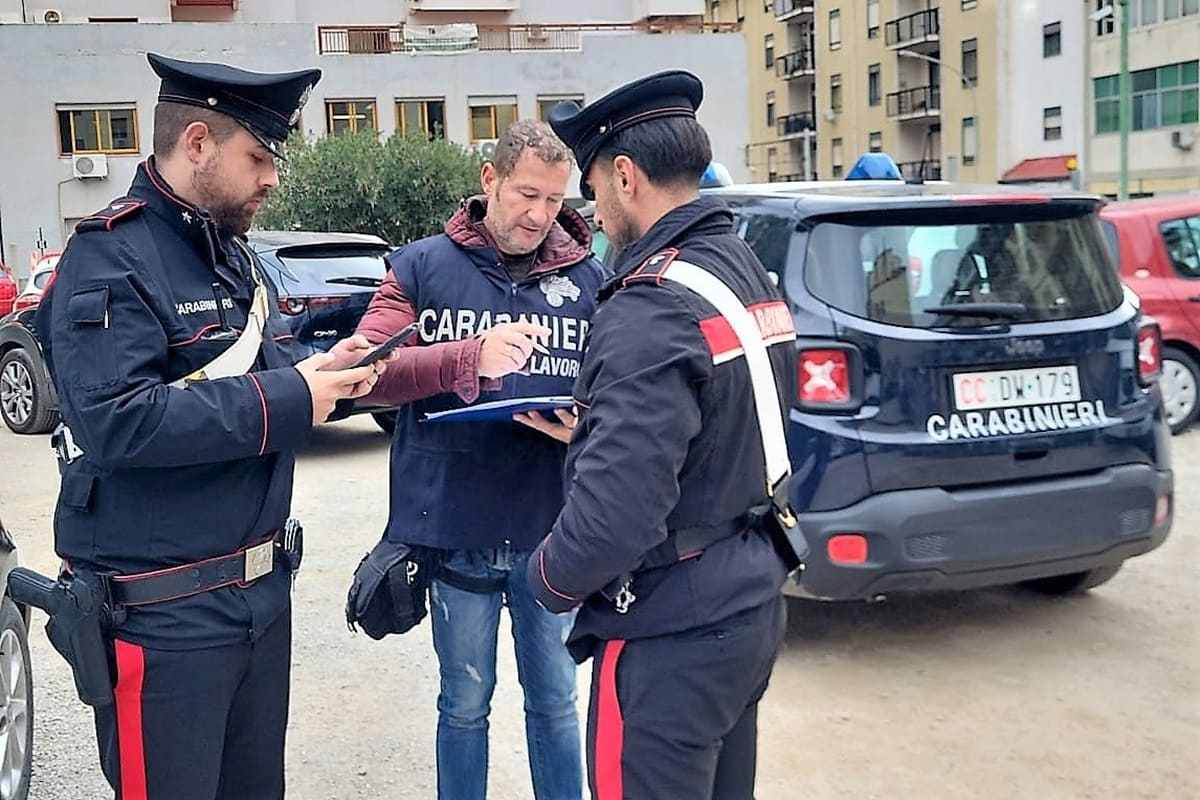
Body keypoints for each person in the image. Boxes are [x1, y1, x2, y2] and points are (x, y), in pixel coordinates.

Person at [35, 53, 385, 800]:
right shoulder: (109, 257)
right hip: (165, 618)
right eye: (257, 157)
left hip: (259, 602)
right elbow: (116, 422)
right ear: (196, 144)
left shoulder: (229, 257)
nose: (272, 178)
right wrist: (291, 399)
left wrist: (381, 367)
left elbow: (268, 367)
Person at [524, 71, 798, 799]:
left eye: (591, 187)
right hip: (748, 599)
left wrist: (546, 577)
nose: (592, 207)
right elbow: (727, 417)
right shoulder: (741, 267)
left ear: (625, 175)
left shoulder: (649, 303)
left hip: (670, 631)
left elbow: (615, 519)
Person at [354, 119, 605, 800]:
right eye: (527, 194)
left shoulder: (591, 280)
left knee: (555, 702)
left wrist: (584, 428)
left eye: (555, 201)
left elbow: (621, 395)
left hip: (550, 529)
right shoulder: (419, 267)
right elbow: (365, 370)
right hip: (455, 525)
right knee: (463, 705)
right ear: (489, 180)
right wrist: (468, 357)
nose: (539, 215)